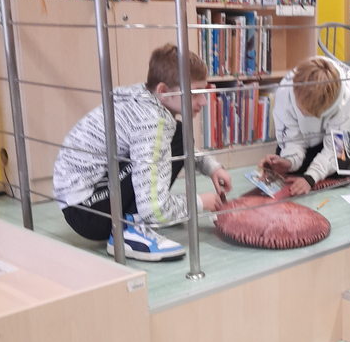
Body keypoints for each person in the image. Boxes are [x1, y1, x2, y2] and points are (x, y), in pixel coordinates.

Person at [53, 44, 231, 261]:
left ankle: (133, 220)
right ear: (163, 91)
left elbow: (175, 144)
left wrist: (211, 167)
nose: (203, 101)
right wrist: (199, 202)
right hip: (89, 211)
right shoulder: (152, 121)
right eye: (195, 93)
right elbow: (154, 209)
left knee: (177, 135)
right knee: (172, 139)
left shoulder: (144, 97)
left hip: (83, 200)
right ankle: (129, 230)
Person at [263, 56, 350, 196]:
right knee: (288, 170)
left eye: (309, 114)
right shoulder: (285, 91)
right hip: (317, 114)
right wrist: (288, 161)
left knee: (341, 168)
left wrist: (311, 178)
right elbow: (291, 138)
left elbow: (336, 152)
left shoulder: (349, 101)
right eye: (300, 109)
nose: (303, 115)